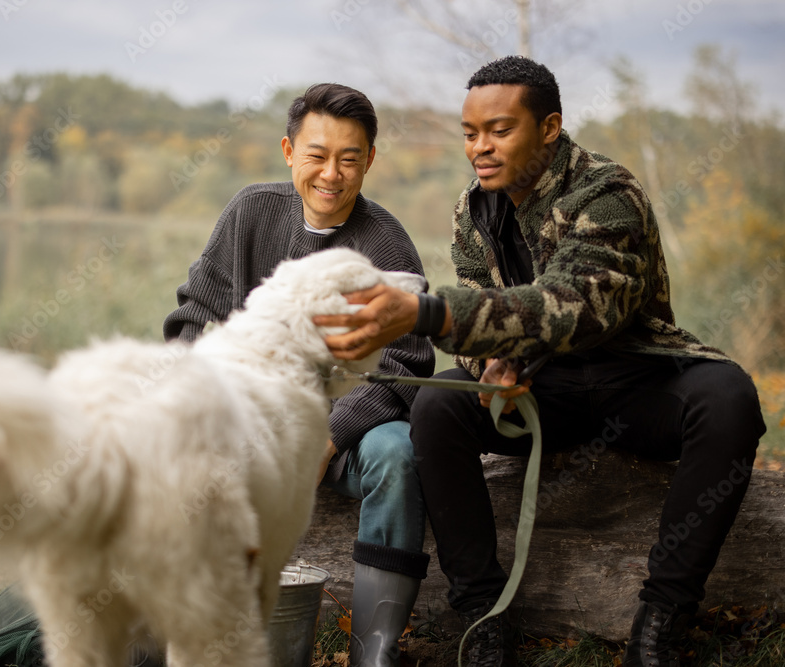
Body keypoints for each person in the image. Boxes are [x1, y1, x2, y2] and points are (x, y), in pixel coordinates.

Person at [313, 56, 766, 667]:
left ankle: (660, 621)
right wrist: (491, 368)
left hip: (632, 378)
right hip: (542, 393)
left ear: (549, 127)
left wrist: (425, 313)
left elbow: (577, 306)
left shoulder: (607, 193)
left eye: (499, 130)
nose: (481, 148)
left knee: (729, 396)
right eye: (470, 134)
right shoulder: (473, 210)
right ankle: (481, 619)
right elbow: (485, 326)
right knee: (438, 404)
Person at [163, 83, 436, 667]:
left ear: (369, 162)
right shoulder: (250, 213)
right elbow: (192, 315)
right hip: (246, 423)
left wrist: (325, 435)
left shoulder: (386, 244)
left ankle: (373, 650)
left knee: (398, 453)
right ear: (289, 151)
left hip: (340, 435)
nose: (331, 174)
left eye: (349, 158)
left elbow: (406, 369)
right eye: (317, 155)